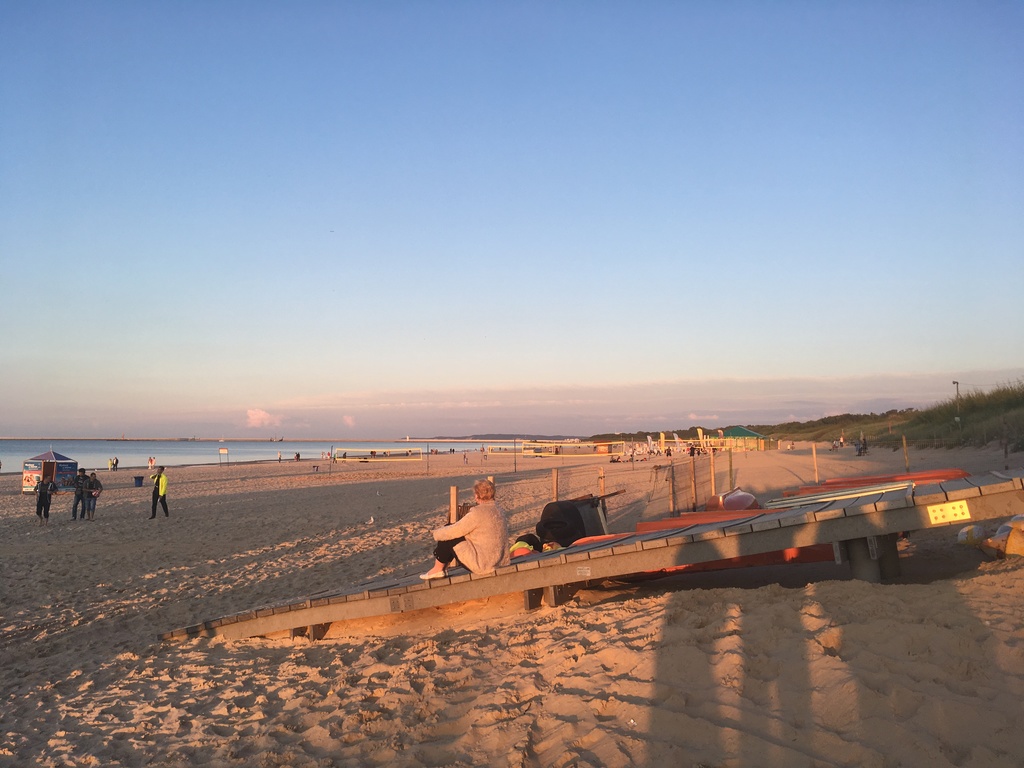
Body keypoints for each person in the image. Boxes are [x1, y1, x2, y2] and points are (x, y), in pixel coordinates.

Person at [420, 478, 510, 580]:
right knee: (451, 531)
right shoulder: (498, 509)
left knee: (448, 532)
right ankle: (442, 569)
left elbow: (455, 530)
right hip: (500, 561)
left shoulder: (477, 513)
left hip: (483, 564)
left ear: (476, 495)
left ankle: (437, 569)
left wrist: (435, 534)